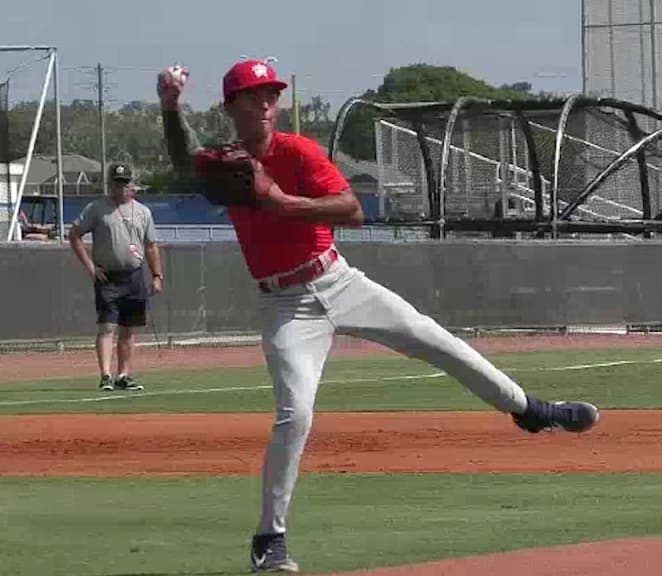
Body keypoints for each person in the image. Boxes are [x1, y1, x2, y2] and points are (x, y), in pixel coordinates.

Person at [157, 59, 600, 573]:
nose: (265, 103)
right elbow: (185, 161)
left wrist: (280, 202)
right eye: (254, 95)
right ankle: (269, 538)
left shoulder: (297, 150)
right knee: (295, 413)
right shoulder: (228, 163)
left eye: (271, 94)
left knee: (435, 339)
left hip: (338, 280)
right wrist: (170, 106)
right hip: (285, 304)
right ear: (232, 105)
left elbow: (351, 209)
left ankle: (530, 409)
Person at [69, 162, 163, 392]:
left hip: (134, 276)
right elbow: (74, 235)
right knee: (106, 327)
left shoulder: (143, 212)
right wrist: (91, 267)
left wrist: (157, 275)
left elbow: (151, 246)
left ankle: (124, 375)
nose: (121, 188)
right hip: (107, 276)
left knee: (128, 329)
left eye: (125, 183)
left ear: (132, 185)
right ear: (110, 185)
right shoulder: (97, 208)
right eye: (117, 184)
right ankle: (105, 376)